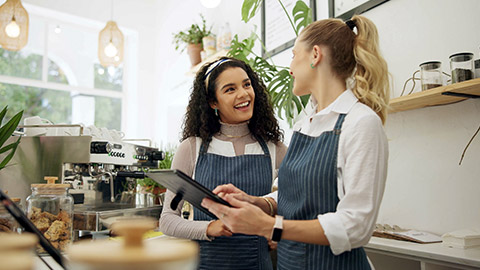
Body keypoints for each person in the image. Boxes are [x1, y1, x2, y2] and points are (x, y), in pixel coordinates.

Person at [202, 15, 390, 270]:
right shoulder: (305, 122)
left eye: (293, 55)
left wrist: (267, 226)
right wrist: (257, 202)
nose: (289, 67)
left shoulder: (360, 123)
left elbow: (356, 227)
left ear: (315, 55)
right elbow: (295, 194)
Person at [159, 57, 287, 270]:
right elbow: (168, 220)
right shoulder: (192, 148)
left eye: (247, 84)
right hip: (205, 264)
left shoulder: (275, 149)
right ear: (213, 102)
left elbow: (298, 206)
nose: (243, 94)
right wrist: (210, 227)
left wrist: (278, 232)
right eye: (230, 89)